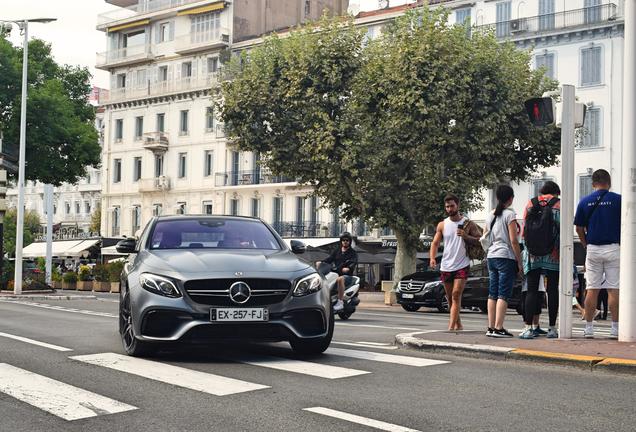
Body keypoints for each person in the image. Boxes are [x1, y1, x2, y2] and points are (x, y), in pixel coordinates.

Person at [574, 169, 621, 339]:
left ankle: (588, 328)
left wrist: (585, 243)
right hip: (613, 248)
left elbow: (578, 228)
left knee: (592, 289)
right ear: (609, 182)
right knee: (613, 289)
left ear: (593, 184)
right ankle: (615, 328)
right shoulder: (618, 200)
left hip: (593, 248)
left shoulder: (584, 202)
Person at [430, 194, 481, 331]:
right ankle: (458, 324)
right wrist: (432, 258)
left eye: (452, 206)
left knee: (456, 294)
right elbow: (435, 243)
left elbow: (480, 240)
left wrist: (466, 236)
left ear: (458, 205)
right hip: (446, 265)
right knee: (450, 298)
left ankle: (451, 327)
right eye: (447, 206)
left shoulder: (468, 223)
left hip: (462, 264)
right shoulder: (442, 224)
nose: (449, 209)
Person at [519, 181, 561, 339]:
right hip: (553, 253)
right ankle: (552, 328)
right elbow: (562, 229)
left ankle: (528, 328)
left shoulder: (531, 203)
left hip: (532, 254)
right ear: (556, 192)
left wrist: (526, 251)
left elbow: (524, 231)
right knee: (552, 290)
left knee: (531, 290)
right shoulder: (558, 204)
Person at [484, 185, 523, 338]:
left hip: (491, 256)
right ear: (511, 198)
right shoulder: (510, 215)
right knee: (503, 293)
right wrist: (519, 261)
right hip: (505, 256)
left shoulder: (489, 215)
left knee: (492, 293)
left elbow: (485, 234)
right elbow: (514, 240)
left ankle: (491, 327)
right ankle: (499, 327)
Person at [322, 232, 358, 311]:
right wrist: (321, 263)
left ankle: (340, 302)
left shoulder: (352, 253)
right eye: (343, 240)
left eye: (347, 240)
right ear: (341, 241)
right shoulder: (337, 251)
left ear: (350, 241)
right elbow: (329, 259)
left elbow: (353, 262)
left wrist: (348, 268)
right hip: (335, 273)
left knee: (340, 279)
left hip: (347, 276)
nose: (345, 241)